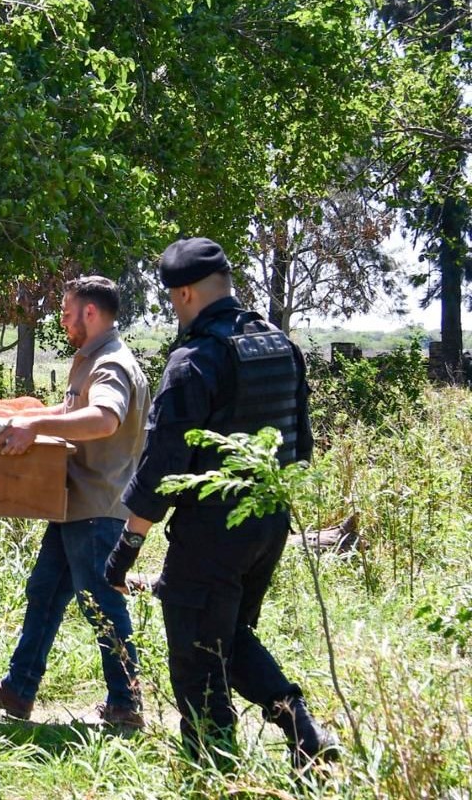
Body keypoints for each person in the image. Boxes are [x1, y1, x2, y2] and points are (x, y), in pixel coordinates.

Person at [104, 237, 339, 766]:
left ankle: (214, 768)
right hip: (270, 520)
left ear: (184, 293)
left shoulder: (195, 360)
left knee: (197, 653)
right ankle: (305, 732)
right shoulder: (280, 345)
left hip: (213, 532)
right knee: (230, 636)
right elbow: (299, 443)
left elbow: (162, 464)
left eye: (171, 299)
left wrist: (126, 547)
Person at [0, 276, 150, 727]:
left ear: (91, 313)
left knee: (102, 605)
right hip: (73, 504)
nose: (62, 322)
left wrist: (38, 429)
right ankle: (19, 690)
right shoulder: (89, 360)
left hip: (99, 507)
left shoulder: (111, 365)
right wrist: (13, 417)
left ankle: (126, 706)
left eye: (67, 313)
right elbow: (69, 413)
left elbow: (104, 418)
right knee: (45, 592)